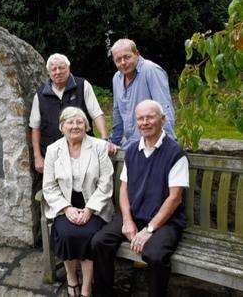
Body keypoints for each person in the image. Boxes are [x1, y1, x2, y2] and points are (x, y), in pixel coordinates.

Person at [91, 100, 189, 297]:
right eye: (140, 119)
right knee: (99, 242)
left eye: (150, 117)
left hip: (165, 221)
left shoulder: (175, 154)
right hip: (135, 215)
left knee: (154, 255)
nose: (145, 122)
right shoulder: (133, 151)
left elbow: (175, 198)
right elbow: (124, 189)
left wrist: (149, 230)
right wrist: (127, 220)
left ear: (162, 120)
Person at [43, 107, 114, 297]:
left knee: (89, 234)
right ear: (62, 126)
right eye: (70, 122)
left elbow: (106, 183)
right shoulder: (53, 150)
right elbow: (49, 186)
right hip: (65, 204)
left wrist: (89, 210)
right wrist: (66, 208)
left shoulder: (98, 146)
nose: (75, 126)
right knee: (66, 234)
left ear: (87, 126)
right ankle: (72, 279)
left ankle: (86, 286)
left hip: (95, 204)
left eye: (80, 122)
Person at [29, 53, 111, 174]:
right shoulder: (40, 94)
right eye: (53, 69)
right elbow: (35, 127)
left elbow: (97, 113)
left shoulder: (83, 85)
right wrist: (37, 157)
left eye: (61, 67)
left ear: (68, 68)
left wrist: (104, 139)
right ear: (49, 73)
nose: (58, 72)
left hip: (84, 151)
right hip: (53, 156)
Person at [110, 39, 176, 150]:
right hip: (130, 147)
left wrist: (166, 148)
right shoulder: (117, 78)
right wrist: (114, 142)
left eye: (127, 57)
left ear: (137, 54)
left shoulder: (151, 70)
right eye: (118, 59)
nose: (123, 62)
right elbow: (117, 114)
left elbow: (164, 109)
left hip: (153, 146)